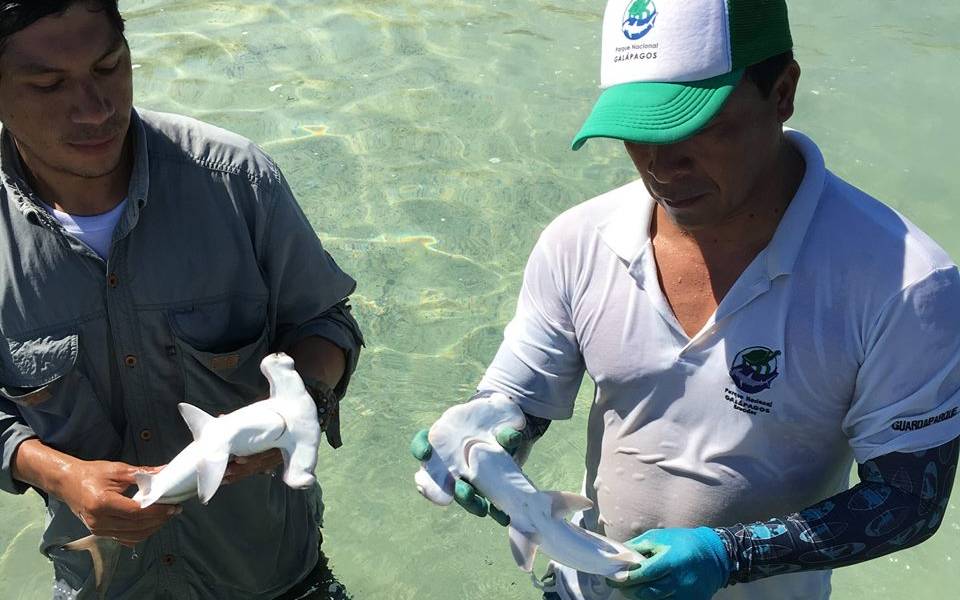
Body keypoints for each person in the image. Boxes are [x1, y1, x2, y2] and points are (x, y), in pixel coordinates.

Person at [412, 1, 960, 599]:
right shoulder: (578, 241)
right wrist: (488, 440)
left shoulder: (904, 283)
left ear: (783, 92)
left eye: (692, 127)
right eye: (637, 130)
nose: (660, 165)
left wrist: (732, 554)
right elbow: (522, 397)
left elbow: (910, 499)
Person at [0, 2, 363, 598]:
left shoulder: (238, 180)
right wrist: (62, 476)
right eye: (49, 85)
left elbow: (325, 322)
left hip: (275, 577)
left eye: (108, 67)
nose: (95, 108)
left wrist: (305, 398)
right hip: (102, 585)